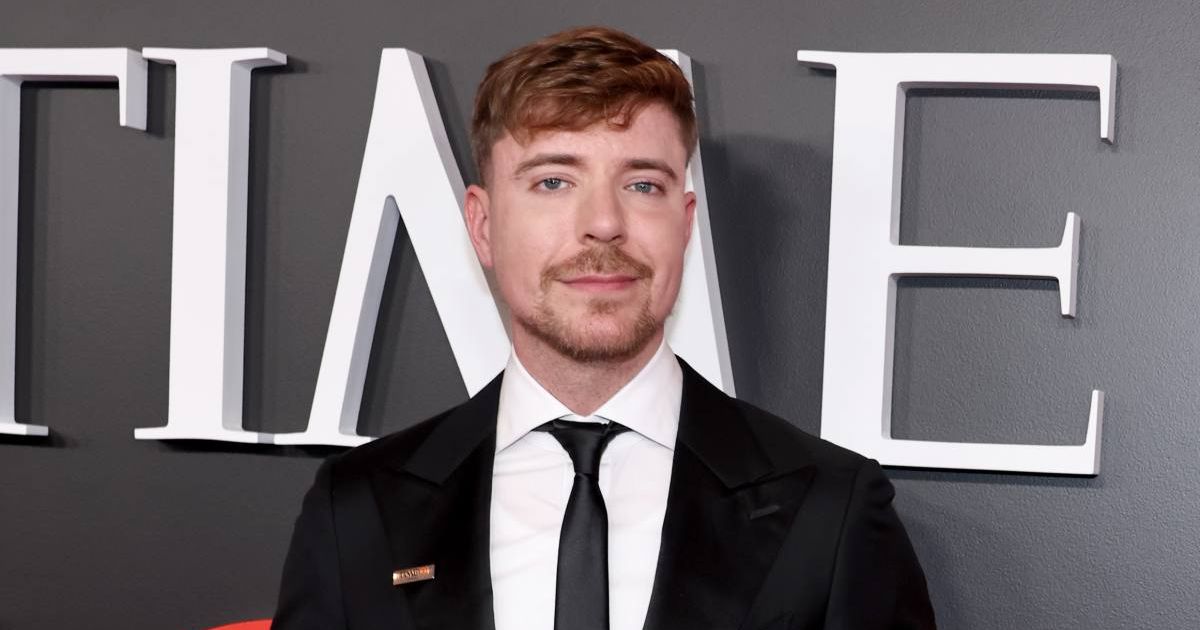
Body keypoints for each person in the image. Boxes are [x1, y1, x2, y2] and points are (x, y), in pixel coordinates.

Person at [273, 25, 935, 630]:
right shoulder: (357, 508)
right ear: (483, 225)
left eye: (642, 185)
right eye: (554, 182)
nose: (604, 223)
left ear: (685, 222)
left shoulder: (830, 512)